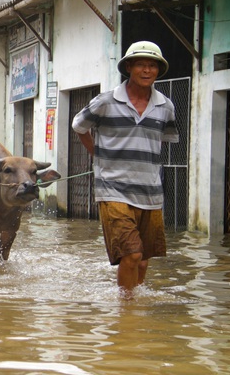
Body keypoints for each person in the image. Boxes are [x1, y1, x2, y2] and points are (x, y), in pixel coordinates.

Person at [71, 41, 179, 298]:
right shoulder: (106, 101)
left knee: (143, 260)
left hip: (151, 192)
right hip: (113, 188)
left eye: (152, 65)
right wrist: (96, 155)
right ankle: (125, 310)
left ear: (158, 70)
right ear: (129, 66)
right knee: (131, 254)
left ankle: (135, 304)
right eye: (141, 64)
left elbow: (164, 140)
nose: (146, 70)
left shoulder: (166, 107)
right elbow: (79, 126)